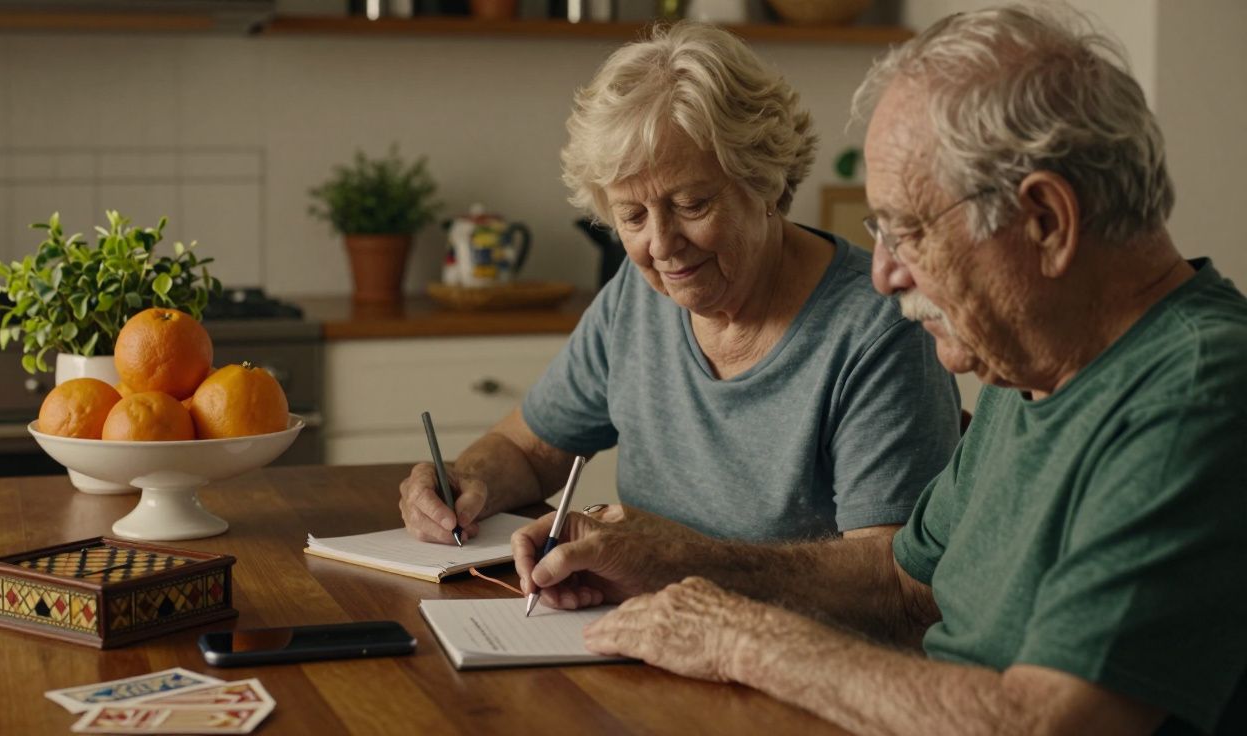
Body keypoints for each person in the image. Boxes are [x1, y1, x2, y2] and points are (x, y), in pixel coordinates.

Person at [512, 5, 1247, 733]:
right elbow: (903, 582)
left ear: (1047, 221)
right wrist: (675, 565)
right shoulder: (1033, 364)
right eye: (880, 232)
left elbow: (1046, 724)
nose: (887, 273)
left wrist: (742, 640)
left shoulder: (1196, 393)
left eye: (911, 231)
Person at [398, 23, 960, 545]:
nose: (662, 245)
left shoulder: (880, 327)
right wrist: (465, 481)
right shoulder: (637, 297)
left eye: (691, 204)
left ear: (765, 184)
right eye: (632, 217)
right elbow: (528, 449)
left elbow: (892, 580)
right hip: (637, 635)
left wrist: (675, 563)